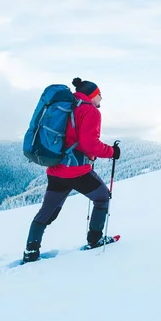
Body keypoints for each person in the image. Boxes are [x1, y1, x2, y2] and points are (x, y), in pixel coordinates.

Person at [22, 77, 121, 263]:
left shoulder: (69, 105)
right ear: (92, 94)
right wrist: (112, 152)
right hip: (77, 171)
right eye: (100, 94)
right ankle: (95, 240)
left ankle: (31, 251)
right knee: (102, 198)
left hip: (56, 169)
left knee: (47, 211)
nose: (101, 98)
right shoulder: (90, 111)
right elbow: (89, 145)